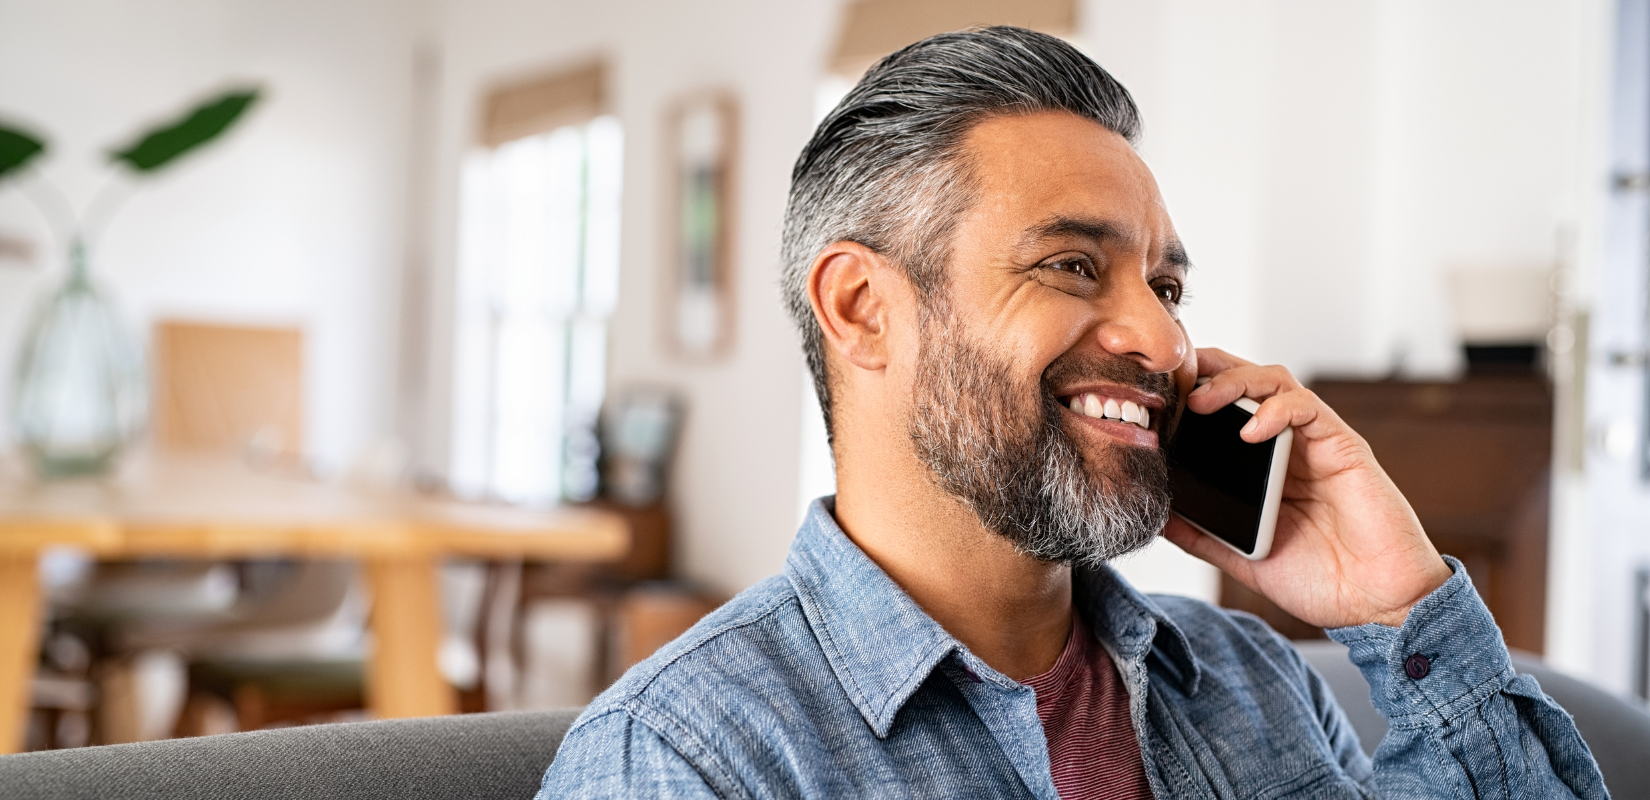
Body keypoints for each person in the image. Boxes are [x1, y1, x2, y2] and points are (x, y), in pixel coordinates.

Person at [540, 27, 1608, 799]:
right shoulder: (685, 760)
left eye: (1169, 287)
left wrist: (1397, 605)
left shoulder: (1252, 681)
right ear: (863, 308)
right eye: (1072, 264)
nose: (1166, 341)